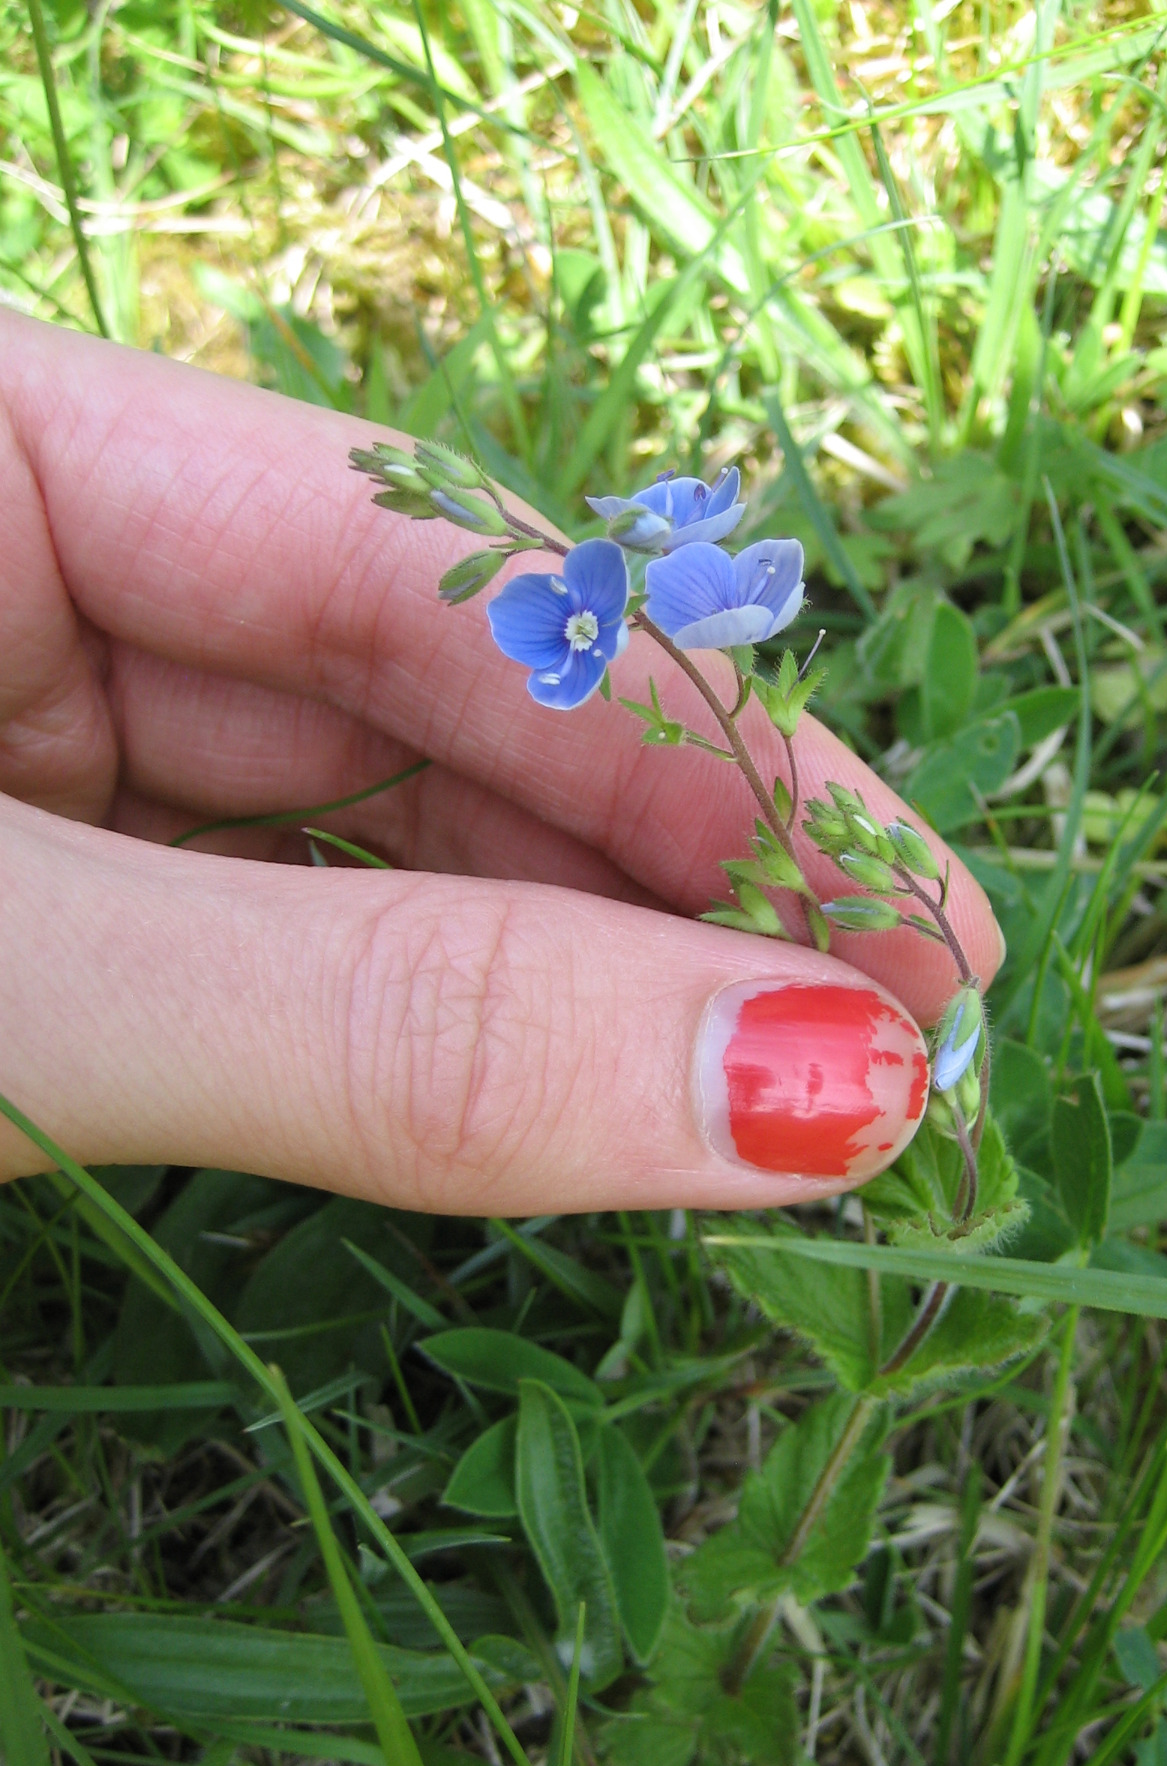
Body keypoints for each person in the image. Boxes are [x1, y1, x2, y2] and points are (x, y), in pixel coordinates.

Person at [0, 311, 1001, 1214]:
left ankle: (943, 1177)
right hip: (590, 636)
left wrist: (611, 625)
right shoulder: (589, 629)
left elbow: (607, 587)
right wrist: (590, 627)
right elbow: (583, 612)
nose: (590, 617)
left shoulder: (618, 609)